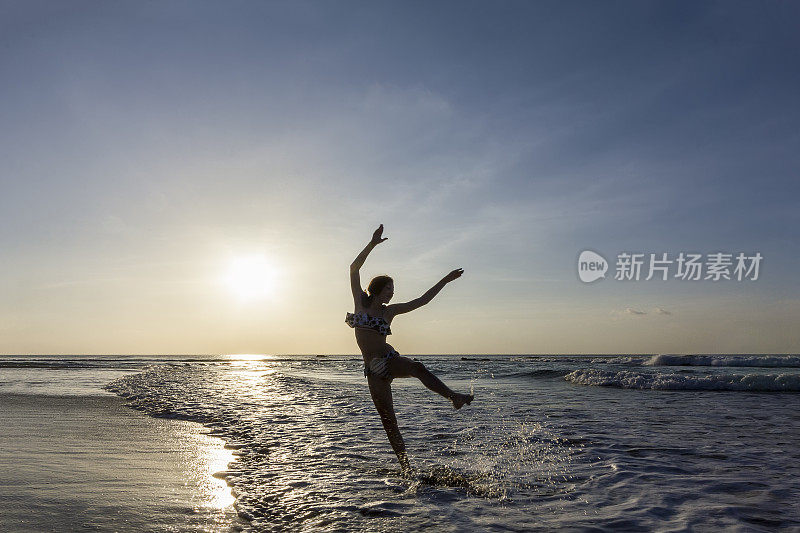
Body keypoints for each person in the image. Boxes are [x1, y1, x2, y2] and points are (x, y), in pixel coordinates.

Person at [346, 224, 474, 473]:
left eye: (393, 291)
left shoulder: (389, 311)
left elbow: (422, 301)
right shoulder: (360, 301)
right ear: (377, 289)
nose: (391, 295)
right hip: (373, 370)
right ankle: (406, 468)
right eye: (388, 290)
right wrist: (372, 244)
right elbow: (354, 268)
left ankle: (454, 398)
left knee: (417, 367)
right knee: (388, 421)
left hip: (389, 358)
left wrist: (445, 281)